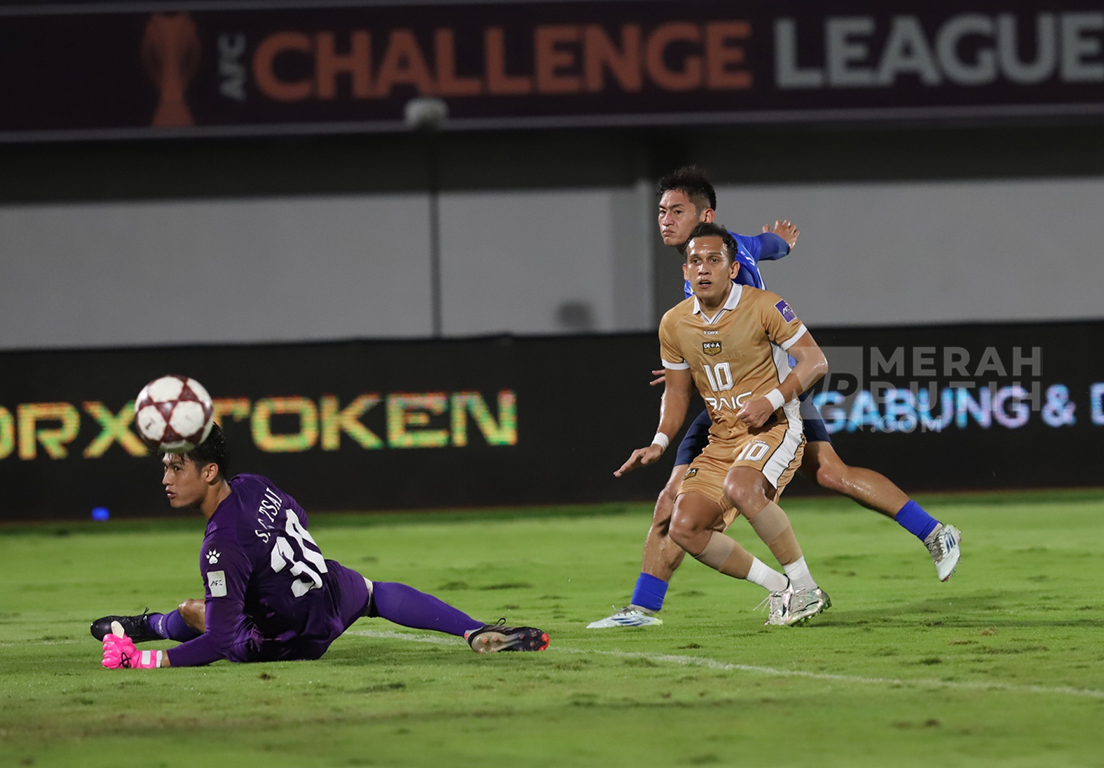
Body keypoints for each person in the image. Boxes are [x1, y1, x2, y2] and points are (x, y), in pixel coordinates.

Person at [589, 167, 960, 629]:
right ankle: (646, 608)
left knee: (820, 475)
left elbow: (769, 330)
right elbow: (764, 245)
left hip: (773, 391)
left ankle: (661, 606)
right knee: (688, 500)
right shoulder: (717, 259)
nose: (664, 220)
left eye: (676, 211)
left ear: (706, 216)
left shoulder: (726, 271)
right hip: (727, 401)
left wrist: (737, 371)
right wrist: (780, 242)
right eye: (661, 211)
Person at [92, 424, 548, 669]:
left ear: (209, 472)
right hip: (329, 591)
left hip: (289, 640)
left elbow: (219, 641)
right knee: (374, 592)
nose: (166, 479)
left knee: (195, 609)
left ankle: (145, 626)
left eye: (176, 468)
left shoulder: (220, 547)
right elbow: (300, 520)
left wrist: (147, 662)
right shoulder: (254, 484)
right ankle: (471, 631)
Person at [615, 222, 830, 627]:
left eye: (714, 260)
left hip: (775, 427)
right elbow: (678, 393)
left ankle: (806, 588)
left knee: (741, 486)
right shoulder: (674, 323)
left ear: (732, 268)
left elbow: (815, 361)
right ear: (685, 271)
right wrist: (660, 442)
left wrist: (769, 401)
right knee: (685, 526)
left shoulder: (765, 305)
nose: (703, 269)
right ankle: (781, 589)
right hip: (721, 439)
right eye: (695, 261)